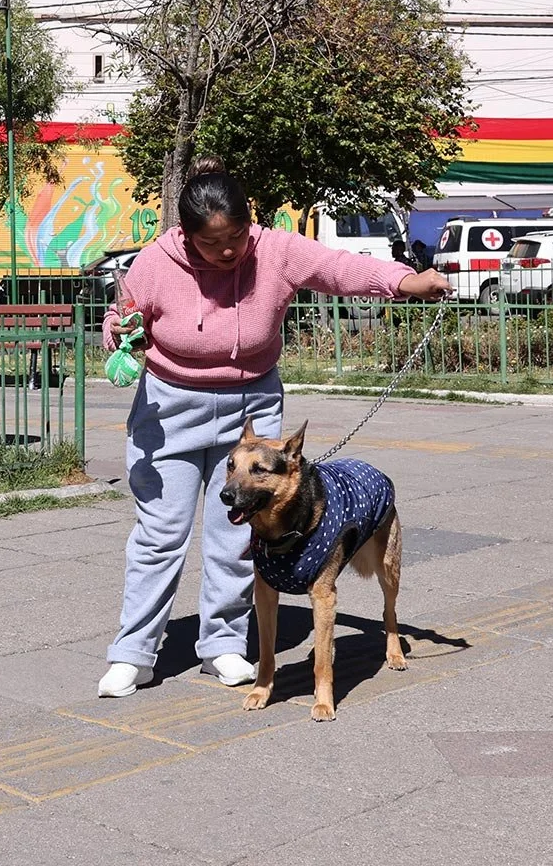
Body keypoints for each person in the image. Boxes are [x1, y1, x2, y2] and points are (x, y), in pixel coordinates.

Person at [96, 157, 449, 698]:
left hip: (250, 406)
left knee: (238, 535)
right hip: (169, 409)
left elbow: (339, 267)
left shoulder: (276, 250)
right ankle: (134, 652)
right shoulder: (155, 262)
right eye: (213, 243)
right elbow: (125, 314)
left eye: (237, 235)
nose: (229, 251)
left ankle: (222, 645)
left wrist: (405, 280)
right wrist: (121, 333)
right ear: (186, 237)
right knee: (160, 534)